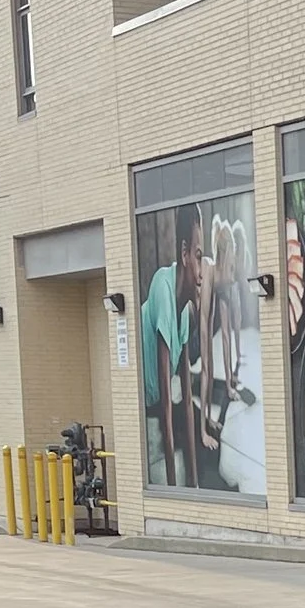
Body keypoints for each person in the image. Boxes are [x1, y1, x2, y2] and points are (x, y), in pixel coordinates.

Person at [138, 204, 202, 488]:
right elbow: (166, 404)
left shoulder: (184, 311)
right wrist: (176, 491)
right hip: (146, 407)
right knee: (167, 458)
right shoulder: (163, 288)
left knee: (196, 418)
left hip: (159, 403)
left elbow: (185, 399)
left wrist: (195, 483)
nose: (202, 273)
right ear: (185, 253)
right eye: (198, 256)